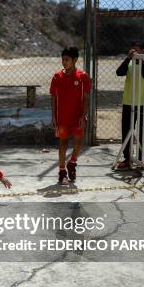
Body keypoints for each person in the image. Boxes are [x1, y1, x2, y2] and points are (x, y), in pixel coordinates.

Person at [50, 46, 92, 185]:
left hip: (77, 116)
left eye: (67, 59)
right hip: (62, 117)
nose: (64, 62)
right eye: (63, 59)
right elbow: (53, 97)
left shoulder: (82, 76)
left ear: (74, 60)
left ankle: (72, 162)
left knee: (79, 140)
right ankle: (62, 172)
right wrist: (54, 116)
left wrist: (83, 115)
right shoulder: (57, 76)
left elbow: (86, 97)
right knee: (63, 143)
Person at [115, 41, 144, 170]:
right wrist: (128, 58)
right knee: (126, 130)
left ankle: (142, 157)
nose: (133, 52)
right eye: (132, 50)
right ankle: (127, 158)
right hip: (129, 102)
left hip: (143, 103)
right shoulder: (129, 63)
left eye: (136, 50)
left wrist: (140, 60)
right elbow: (119, 72)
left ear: (143, 51)